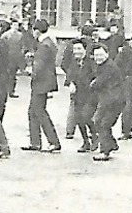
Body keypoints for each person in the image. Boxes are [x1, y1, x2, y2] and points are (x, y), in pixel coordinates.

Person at [22, 19, 62, 153]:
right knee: (33, 111)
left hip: (41, 83)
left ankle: (53, 142)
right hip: (44, 82)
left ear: (37, 31)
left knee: (39, 112)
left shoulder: (43, 45)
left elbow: (39, 65)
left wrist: (30, 71)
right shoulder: (48, 43)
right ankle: (35, 142)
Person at [87, 44, 127, 161]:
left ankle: (105, 151)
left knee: (102, 123)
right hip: (108, 100)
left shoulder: (109, 67)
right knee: (100, 122)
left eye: (100, 55)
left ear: (107, 54)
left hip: (114, 101)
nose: (98, 57)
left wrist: (92, 83)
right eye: (96, 55)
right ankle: (111, 144)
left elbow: (99, 82)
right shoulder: (102, 65)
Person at [63, 39, 97, 150]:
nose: (76, 51)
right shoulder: (73, 62)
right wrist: (70, 83)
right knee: (78, 119)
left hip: (89, 95)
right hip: (77, 95)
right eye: (75, 49)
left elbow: (96, 76)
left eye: (79, 49)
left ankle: (95, 137)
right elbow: (70, 74)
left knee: (87, 117)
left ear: (84, 49)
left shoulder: (91, 62)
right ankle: (85, 141)